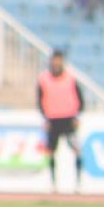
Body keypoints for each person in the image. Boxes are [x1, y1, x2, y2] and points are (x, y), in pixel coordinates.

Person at [37, 49, 84, 193]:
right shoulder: (44, 79)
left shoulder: (70, 78)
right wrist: (45, 118)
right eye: (54, 61)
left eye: (59, 61)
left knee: (76, 150)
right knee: (51, 152)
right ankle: (53, 184)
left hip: (69, 119)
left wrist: (77, 117)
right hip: (52, 119)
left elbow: (80, 99)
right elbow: (40, 100)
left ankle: (78, 184)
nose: (56, 64)